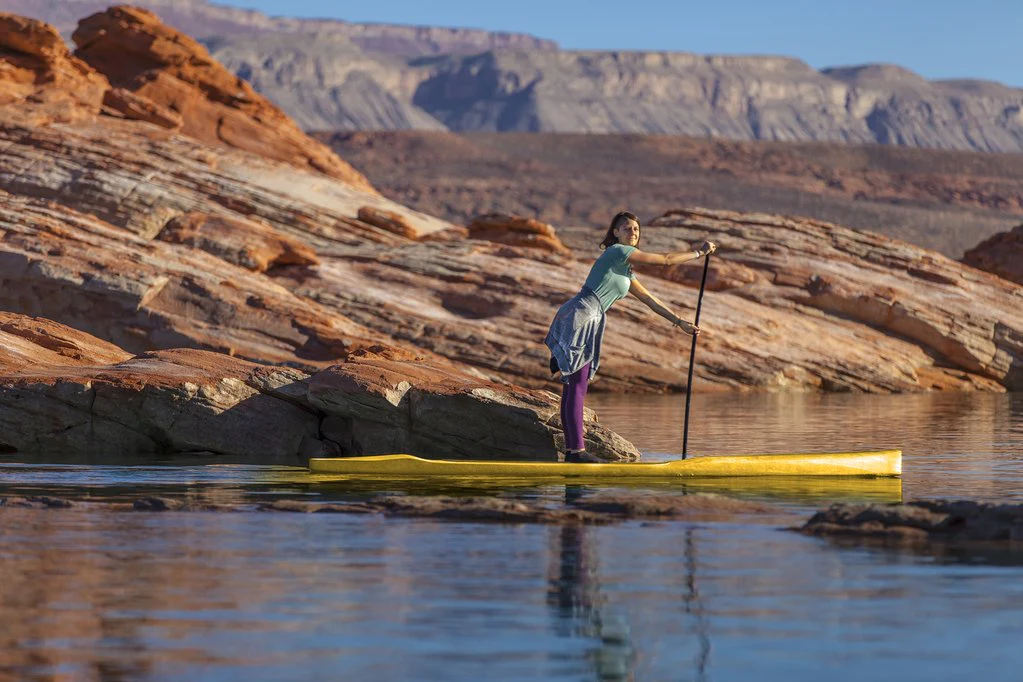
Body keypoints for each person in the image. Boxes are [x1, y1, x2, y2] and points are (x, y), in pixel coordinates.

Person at [545, 211, 717, 463]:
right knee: (577, 385)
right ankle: (576, 452)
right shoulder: (617, 252)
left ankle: (573, 451)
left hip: (587, 316)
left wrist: (679, 322)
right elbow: (667, 260)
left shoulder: (625, 271)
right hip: (582, 314)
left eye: (636, 229)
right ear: (615, 233)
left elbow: (650, 300)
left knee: (573, 386)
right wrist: (699, 253)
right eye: (626, 228)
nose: (633, 232)